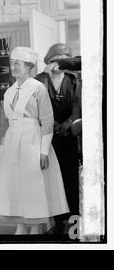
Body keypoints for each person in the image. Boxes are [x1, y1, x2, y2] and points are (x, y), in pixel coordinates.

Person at [0, 47, 69, 235]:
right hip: (13, 141)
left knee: (33, 184)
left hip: (33, 140)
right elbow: (5, 121)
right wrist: (4, 149)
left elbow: (48, 121)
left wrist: (43, 151)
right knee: (16, 183)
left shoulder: (37, 88)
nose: (13, 67)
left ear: (28, 66)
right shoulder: (9, 91)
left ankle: (36, 226)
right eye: (11, 63)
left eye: (17, 64)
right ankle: (22, 223)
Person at [35, 43, 82, 234]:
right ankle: (58, 224)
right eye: (55, 61)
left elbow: (77, 107)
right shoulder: (40, 80)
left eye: (63, 61)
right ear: (48, 63)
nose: (58, 66)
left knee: (71, 183)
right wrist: (52, 124)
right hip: (48, 140)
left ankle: (74, 225)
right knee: (52, 183)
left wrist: (68, 123)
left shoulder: (74, 80)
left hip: (70, 138)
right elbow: (37, 107)